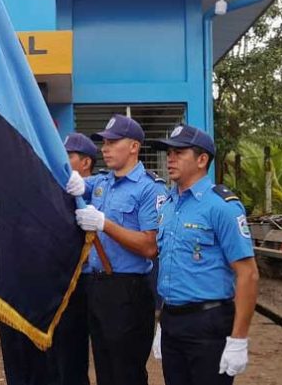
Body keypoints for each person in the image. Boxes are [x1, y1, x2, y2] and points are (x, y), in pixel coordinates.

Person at [149, 125, 258, 385]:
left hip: (208, 324)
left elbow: (248, 274)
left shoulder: (221, 206)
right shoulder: (169, 204)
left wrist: (238, 339)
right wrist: (162, 323)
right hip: (172, 320)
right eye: (168, 153)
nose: (170, 158)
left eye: (178, 152)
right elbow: (170, 265)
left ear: (202, 159)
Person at [66, 115, 167, 385]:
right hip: (98, 287)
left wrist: (104, 224)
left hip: (129, 290)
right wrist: (75, 181)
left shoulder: (149, 188)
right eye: (103, 143)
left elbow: (149, 246)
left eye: (112, 142)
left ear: (134, 146)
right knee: (105, 370)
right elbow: (77, 185)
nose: (105, 148)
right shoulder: (102, 182)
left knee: (127, 373)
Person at [47, 133, 99, 385]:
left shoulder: (99, 193)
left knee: (75, 355)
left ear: (86, 162)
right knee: (57, 353)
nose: (63, 160)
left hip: (87, 282)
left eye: (69, 156)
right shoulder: (62, 192)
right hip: (61, 281)